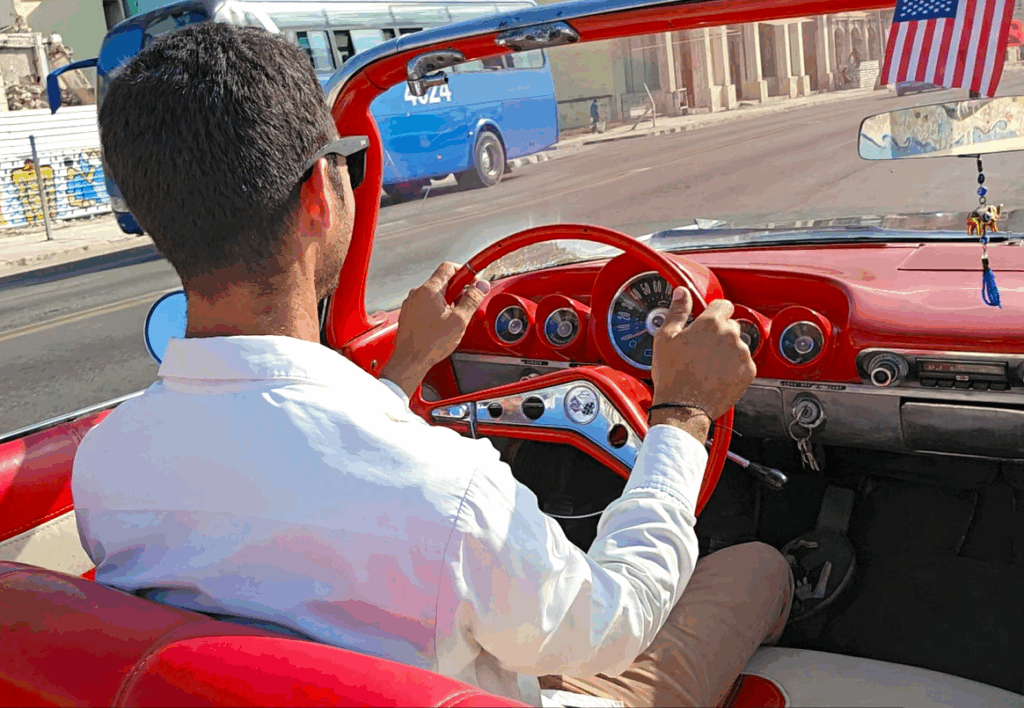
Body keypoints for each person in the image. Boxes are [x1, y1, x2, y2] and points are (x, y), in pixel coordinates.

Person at [71, 23, 793, 708]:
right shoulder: (451, 495)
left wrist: (407, 366)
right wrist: (682, 412)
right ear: (318, 198)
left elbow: (302, 478)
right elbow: (611, 627)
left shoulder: (106, 466)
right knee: (759, 567)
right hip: (536, 671)